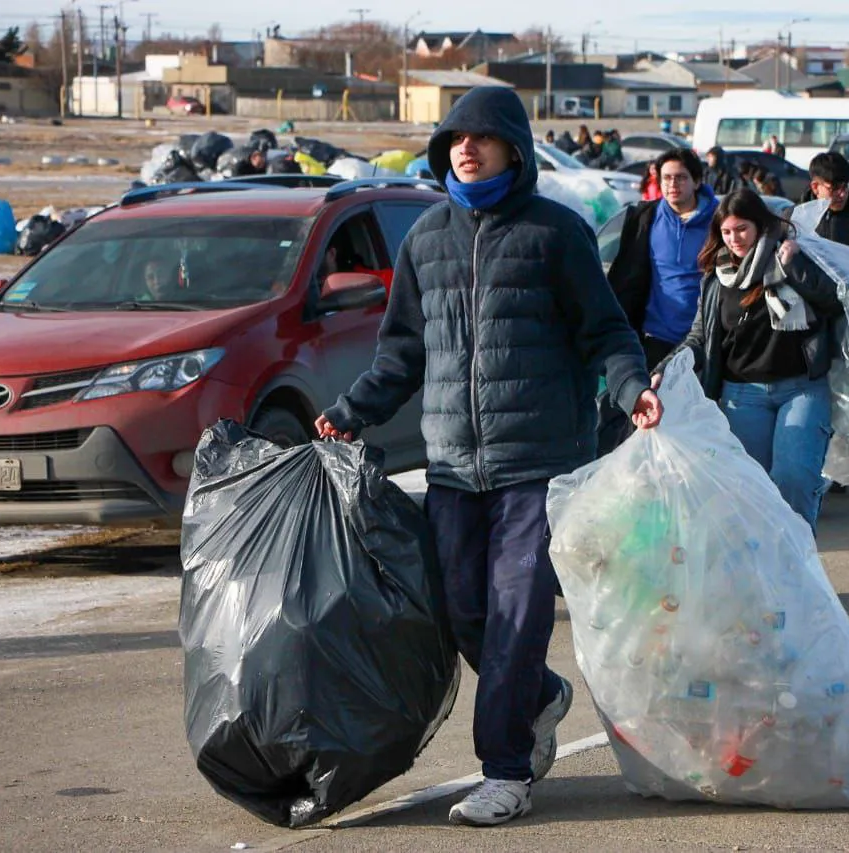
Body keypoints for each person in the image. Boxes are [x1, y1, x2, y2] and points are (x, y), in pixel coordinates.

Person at [314, 86, 662, 827]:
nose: (465, 149)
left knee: (512, 616)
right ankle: (537, 697)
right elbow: (401, 354)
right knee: (463, 612)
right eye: (453, 140)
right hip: (450, 467)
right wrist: (350, 413)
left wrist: (632, 388)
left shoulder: (555, 233)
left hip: (536, 464)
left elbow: (607, 332)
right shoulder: (427, 241)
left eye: (481, 138)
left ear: (514, 147)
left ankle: (506, 770)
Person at [654, 188, 842, 533]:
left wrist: (793, 267)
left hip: (801, 389)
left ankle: (799, 571)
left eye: (741, 229)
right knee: (753, 492)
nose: (734, 239)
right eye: (726, 231)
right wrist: (664, 369)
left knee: (795, 480)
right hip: (742, 396)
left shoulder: (793, 256)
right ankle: (767, 576)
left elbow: (833, 304)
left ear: (759, 226)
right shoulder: (716, 278)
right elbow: (699, 336)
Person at [607, 147, 719, 368]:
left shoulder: (720, 221)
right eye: (666, 178)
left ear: (697, 182)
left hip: (704, 340)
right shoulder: (645, 218)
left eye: (681, 177)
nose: (672, 184)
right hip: (655, 338)